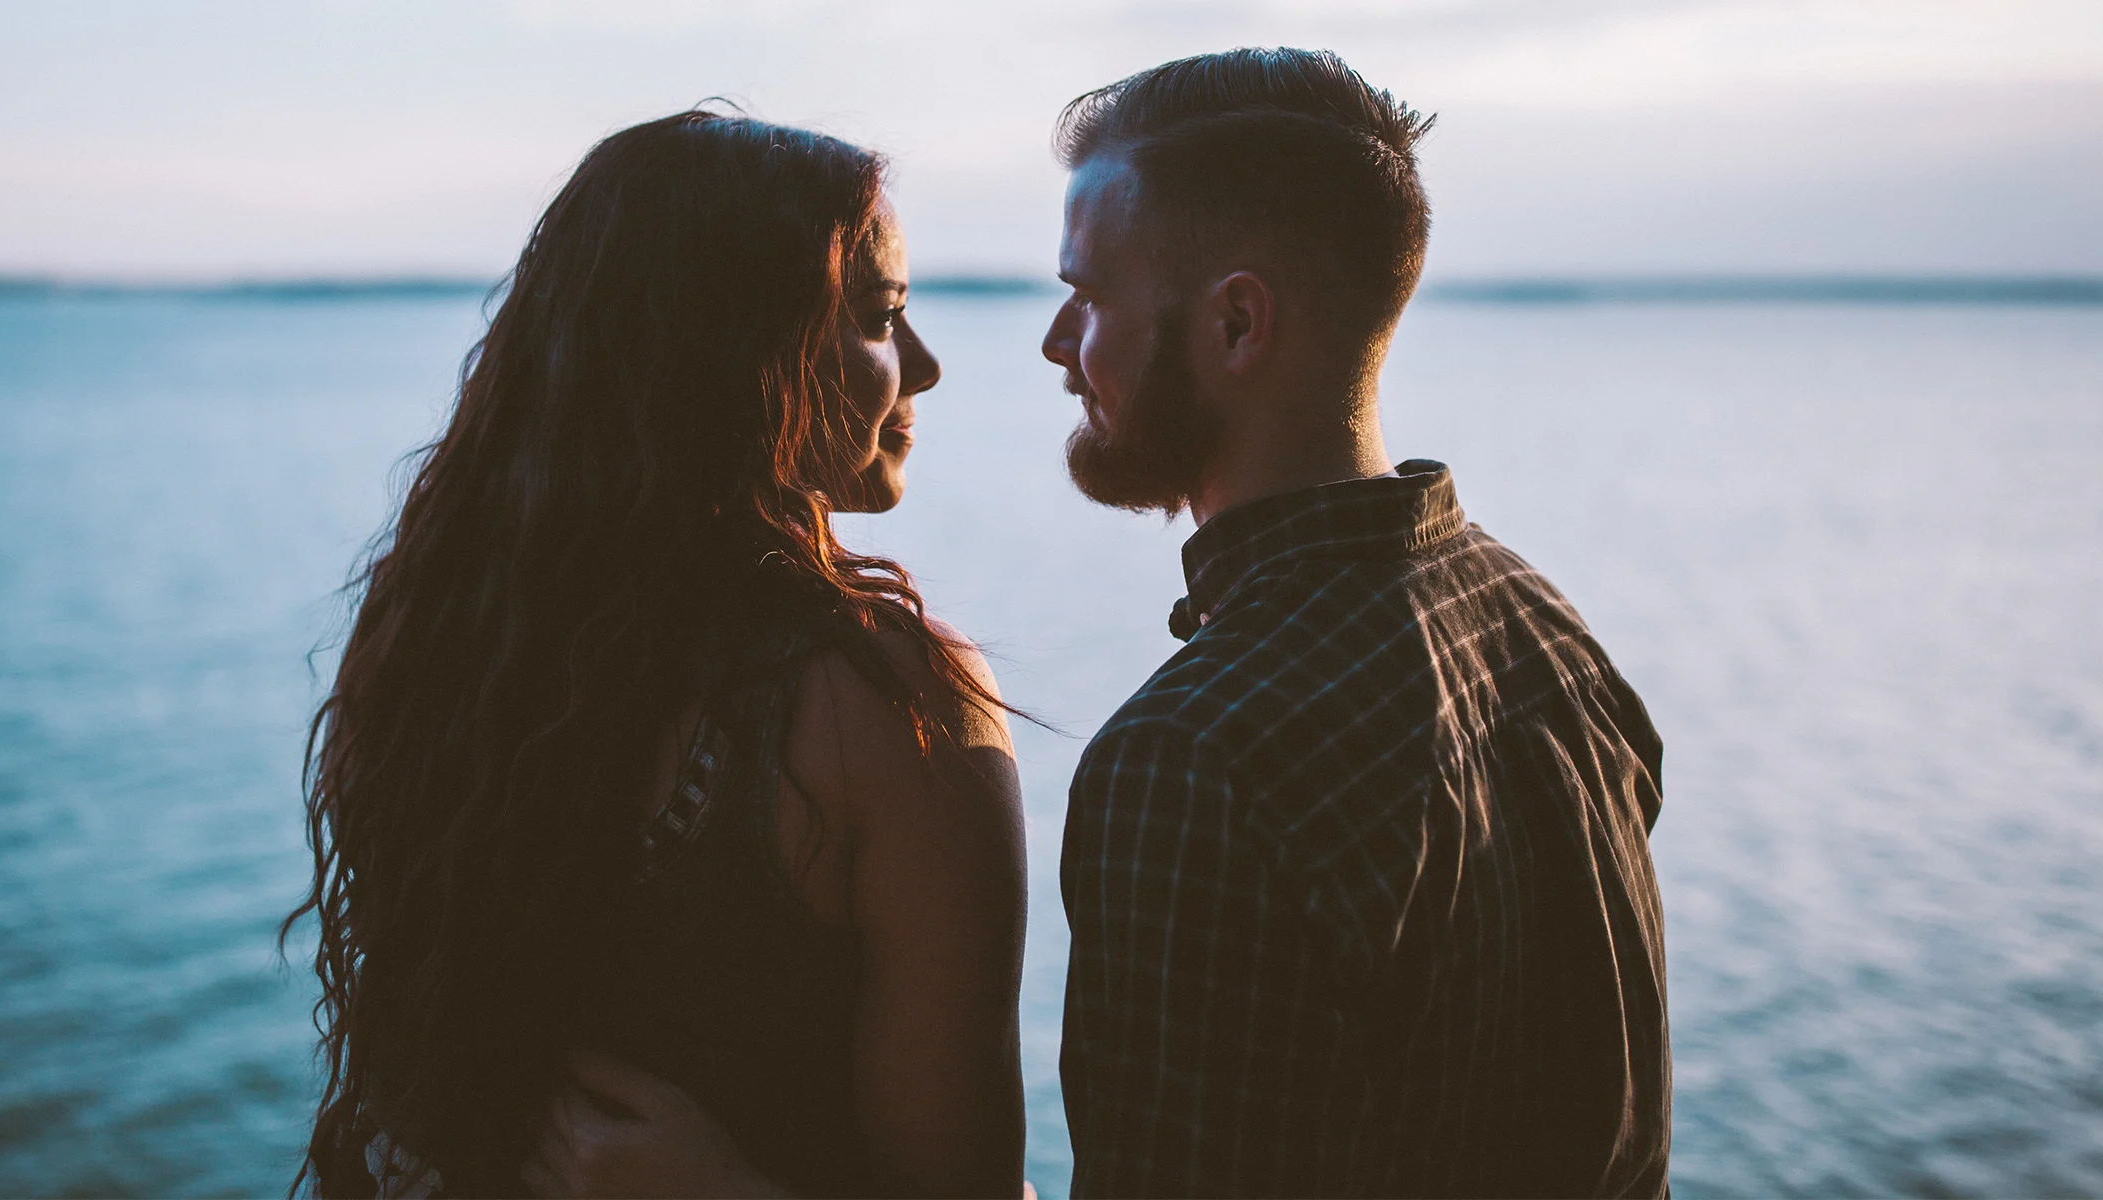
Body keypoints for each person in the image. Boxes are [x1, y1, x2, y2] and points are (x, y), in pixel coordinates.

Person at [527, 46, 1671, 1200]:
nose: (1056, 344)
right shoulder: (1549, 633)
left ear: (1236, 325)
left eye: (1089, 297)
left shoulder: (1197, 758)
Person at [285, 110, 1027, 1199]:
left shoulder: (426, 646)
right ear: (741, 355)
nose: (925, 365)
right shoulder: (897, 711)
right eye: (881, 318)